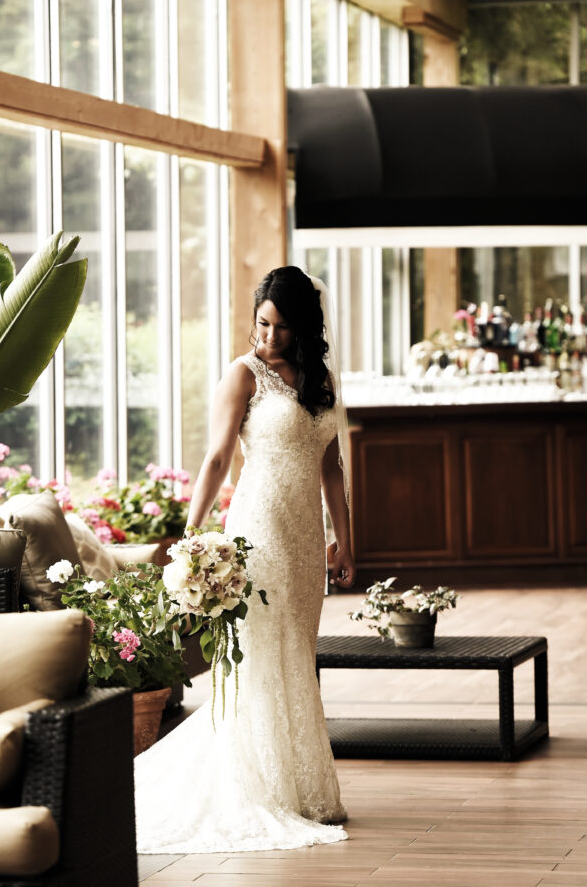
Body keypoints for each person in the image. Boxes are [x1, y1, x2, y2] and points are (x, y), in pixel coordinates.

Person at [134, 265, 356, 854]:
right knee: (261, 653)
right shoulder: (244, 373)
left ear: (304, 326)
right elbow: (215, 458)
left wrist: (346, 538)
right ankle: (257, 787)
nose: (269, 337)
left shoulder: (321, 378)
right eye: (263, 323)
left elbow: (331, 466)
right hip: (257, 528)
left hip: (306, 533)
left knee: (296, 652)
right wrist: (189, 531)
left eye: (282, 327)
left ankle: (300, 789)